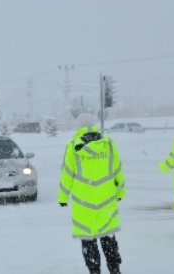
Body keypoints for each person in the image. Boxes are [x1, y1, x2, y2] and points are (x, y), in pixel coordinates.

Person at [58, 113, 126, 274]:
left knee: (88, 241)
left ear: (79, 126)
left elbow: (67, 173)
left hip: (83, 201)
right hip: (106, 199)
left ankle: (94, 270)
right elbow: (117, 169)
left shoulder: (73, 145)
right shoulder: (108, 144)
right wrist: (121, 191)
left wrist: (63, 197)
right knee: (108, 237)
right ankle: (115, 269)